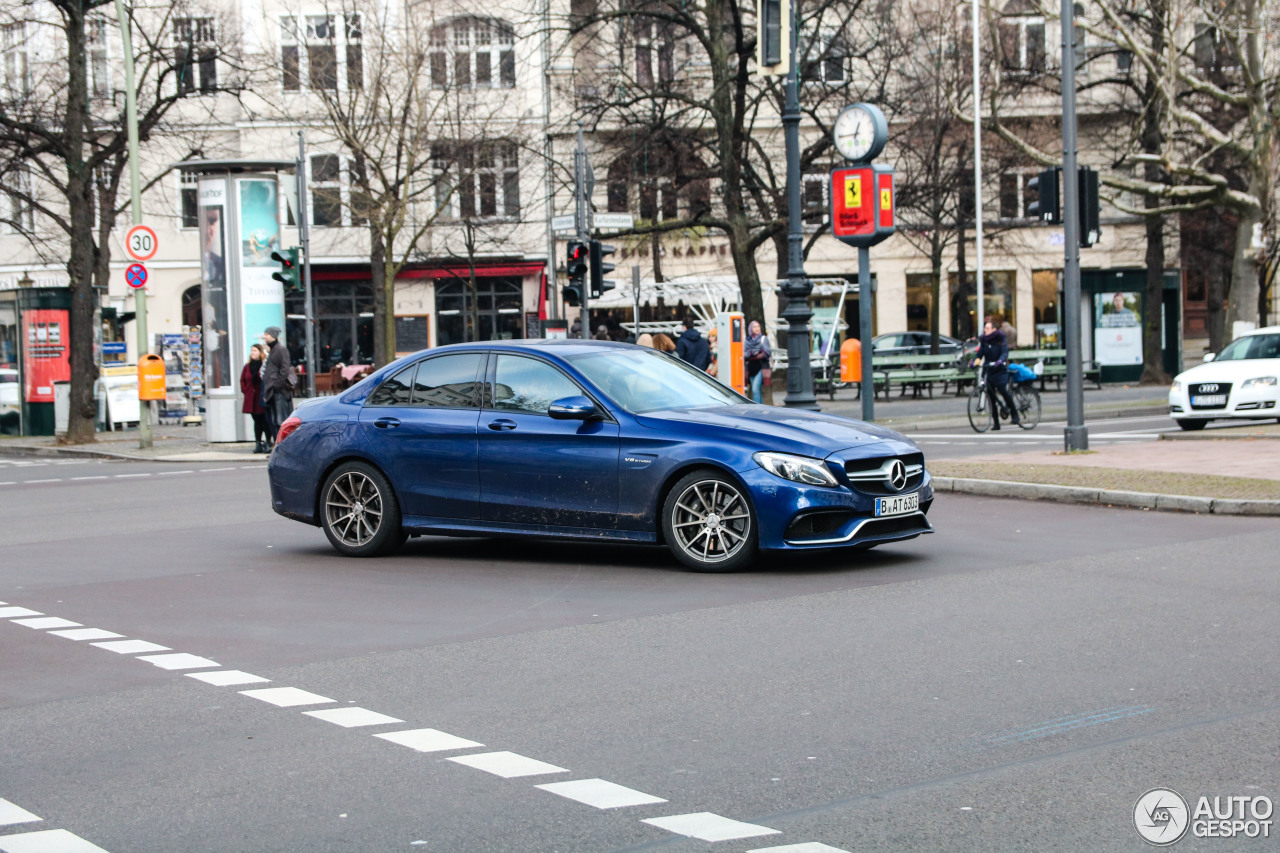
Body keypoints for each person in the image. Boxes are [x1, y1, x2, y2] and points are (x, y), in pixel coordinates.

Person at [977, 319, 1019, 429]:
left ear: (994, 330)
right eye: (985, 328)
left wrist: (1000, 360)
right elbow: (980, 353)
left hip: (999, 370)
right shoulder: (984, 341)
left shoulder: (1000, 339)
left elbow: (1005, 351)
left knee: (1003, 391)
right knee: (991, 397)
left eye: (987, 328)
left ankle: (1015, 415)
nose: (985, 330)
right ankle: (996, 423)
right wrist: (974, 361)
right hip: (989, 370)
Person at [261, 326, 295, 446]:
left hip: (278, 391)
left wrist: (277, 385)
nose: (265, 337)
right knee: (276, 420)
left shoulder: (280, 349)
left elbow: (284, 369)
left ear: (273, 336)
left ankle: (284, 447)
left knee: (280, 420)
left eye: (267, 335)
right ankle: (279, 447)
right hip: (274, 390)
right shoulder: (274, 349)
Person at [240, 344, 269, 453]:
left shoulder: (263, 365)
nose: (252, 353)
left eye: (255, 350)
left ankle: (267, 442)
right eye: (252, 350)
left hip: (260, 397)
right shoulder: (247, 366)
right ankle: (258, 442)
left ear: (260, 352)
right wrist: (245, 390)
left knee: (264, 420)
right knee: (256, 420)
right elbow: (243, 380)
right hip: (250, 398)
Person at [744, 320, 772, 403]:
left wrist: (755, 354)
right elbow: (744, 354)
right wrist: (754, 353)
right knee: (755, 390)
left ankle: (758, 410)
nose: (757, 328)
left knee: (755, 389)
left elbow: (767, 352)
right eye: (754, 327)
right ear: (750, 329)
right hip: (751, 368)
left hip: (761, 367)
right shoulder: (747, 341)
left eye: (758, 326)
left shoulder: (763, 339)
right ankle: (761, 409)